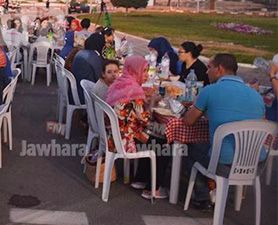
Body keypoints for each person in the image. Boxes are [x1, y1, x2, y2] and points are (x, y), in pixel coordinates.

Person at [182, 53, 266, 210]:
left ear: (219, 69)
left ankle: (202, 196)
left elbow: (188, 121)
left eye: (209, 67)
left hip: (224, 163)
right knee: (217, 146)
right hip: (255, 162)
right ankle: (224, 193)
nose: (207, 72)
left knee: (191, 147)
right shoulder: (256, 96)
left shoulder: (210, 91)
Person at [106, 55, 170, 200]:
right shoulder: (134, 90)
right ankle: (153, 188)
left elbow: (133, 112)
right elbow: (145, 120)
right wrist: (152, 102)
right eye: (144, 71)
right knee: (164, 142)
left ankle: (140, 178)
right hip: (125, 139)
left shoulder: (119, 83)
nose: (146, 75)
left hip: (114, 133)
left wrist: (144, 103)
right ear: (135, 71)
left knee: (152, 137)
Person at [71, 33, 105, 103]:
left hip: (74, 91)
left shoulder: (80, 53)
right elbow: (100, 77)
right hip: (86, 95)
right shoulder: (94, 57)